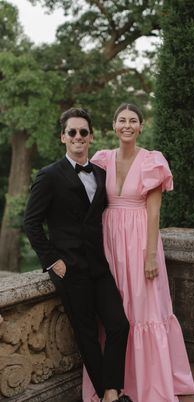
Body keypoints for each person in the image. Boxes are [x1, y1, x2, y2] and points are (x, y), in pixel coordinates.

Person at [84, 103, 194, 402]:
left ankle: (150, 384)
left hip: (140, 241)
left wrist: (149, 256)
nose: (127, 125)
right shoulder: (102, 160)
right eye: (122, 120)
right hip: (110, 242)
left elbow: (154, 212)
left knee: (144, 308)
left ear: (141, 126)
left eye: (133, 120)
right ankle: (113, 383)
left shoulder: (152, 161)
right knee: (115, 311)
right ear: (113, 125)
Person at [24, 107, 133, 402]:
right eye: (72, 132)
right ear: (63, 137)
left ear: (91, 137)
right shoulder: (48, 176)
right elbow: (31, 223)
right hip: (69, 269)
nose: (78, 137)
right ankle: (110, 396)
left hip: (99, 265)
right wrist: (52, 261)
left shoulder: (101, 173)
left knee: (119, 325)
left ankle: (111, 388)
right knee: (86, 335)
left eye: (83, 132)